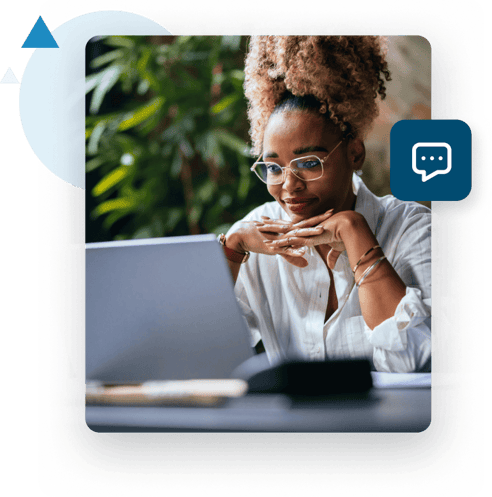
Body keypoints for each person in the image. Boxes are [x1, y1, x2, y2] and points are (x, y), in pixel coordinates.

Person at [219, 35, 431, 373]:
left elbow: (415, 363)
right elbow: (204, 355)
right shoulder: (256, 236)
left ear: (354, 153)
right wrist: (230, 249)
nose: (289, 186)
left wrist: (355, 232)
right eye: (273, 168)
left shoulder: (411, 228)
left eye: (308, 162)